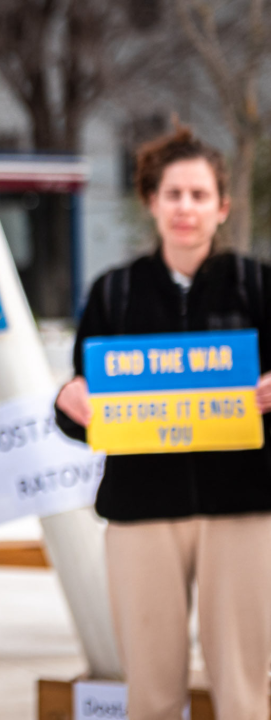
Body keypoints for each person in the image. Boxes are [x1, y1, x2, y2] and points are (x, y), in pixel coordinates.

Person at [55, 126, 271, 720]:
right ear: (151, 200)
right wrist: (69, 404)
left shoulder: (258, 286)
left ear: (222, 207)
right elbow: (86, 408)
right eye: (173, 194)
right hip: (140, 510)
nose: (185, 208)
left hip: (242, 507)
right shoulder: (114, 292)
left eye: (199, 195)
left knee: (246, 693)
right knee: (150, 692)